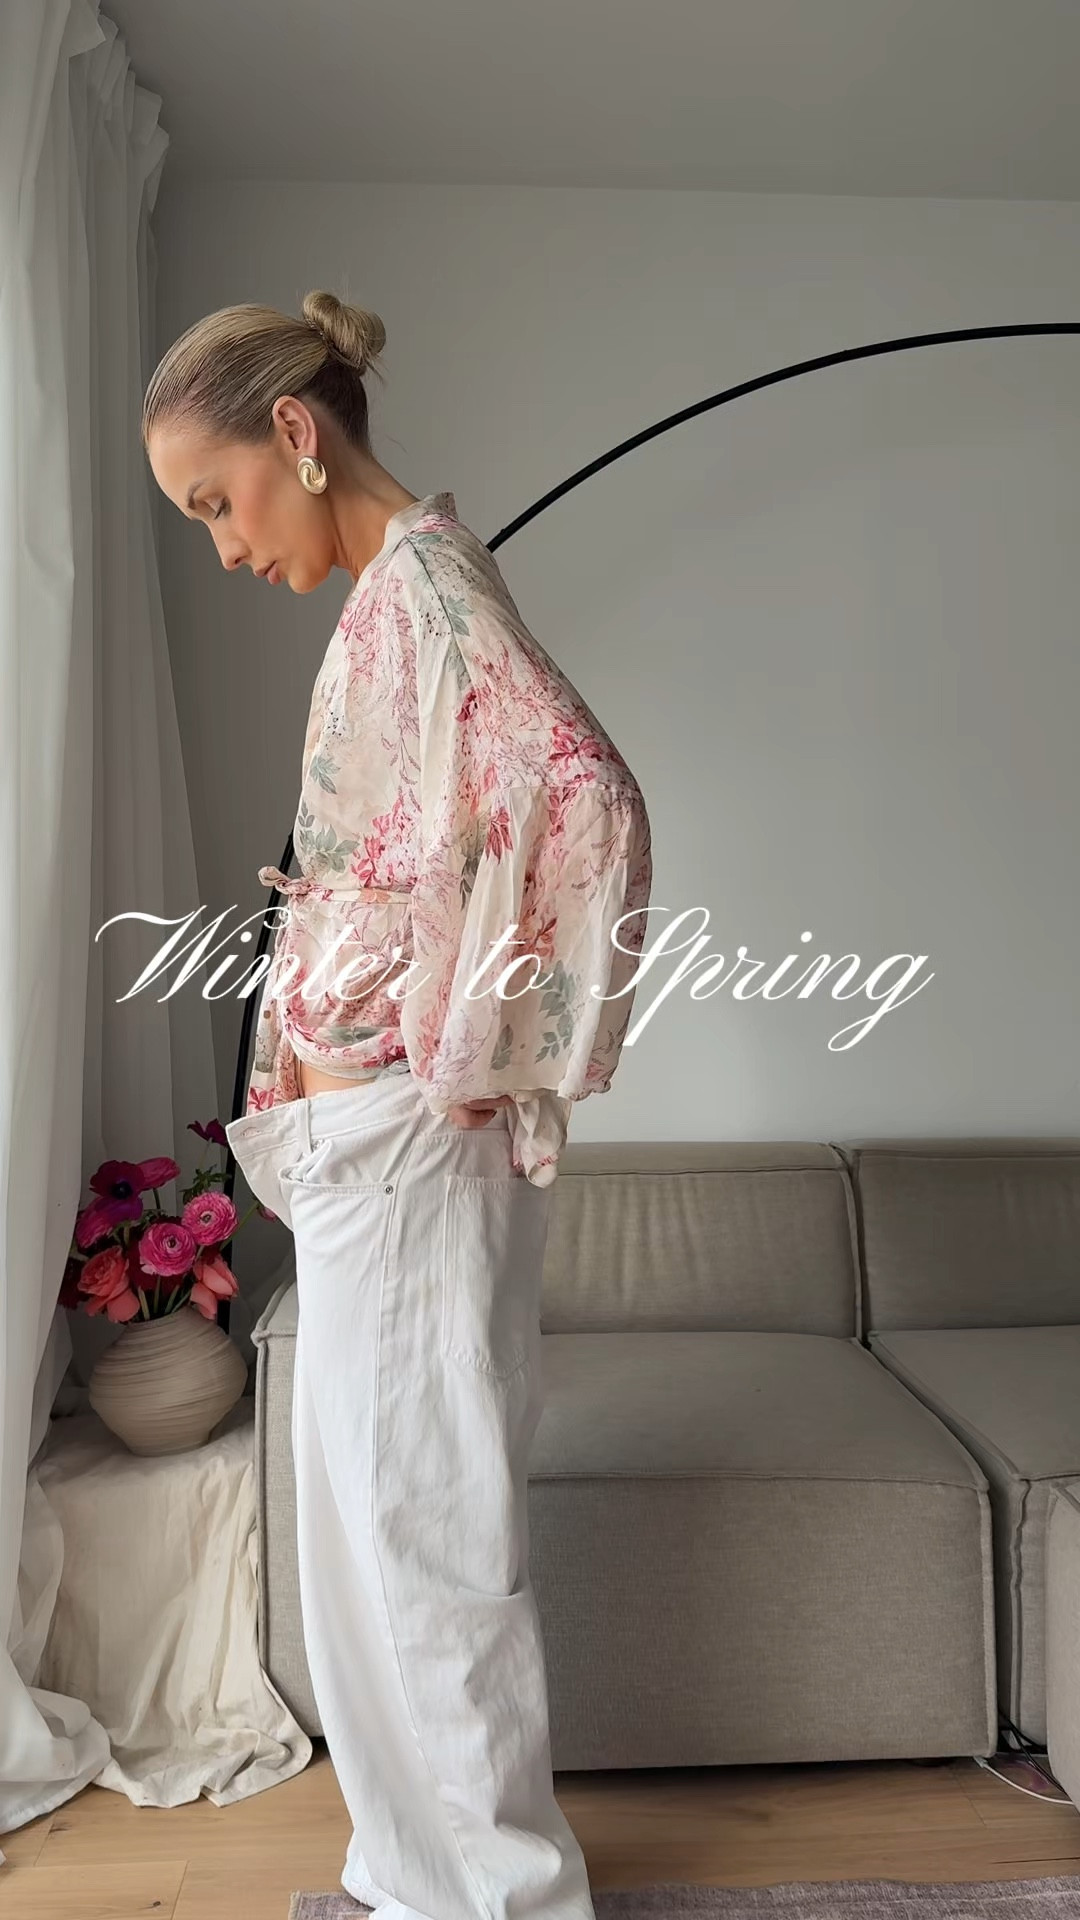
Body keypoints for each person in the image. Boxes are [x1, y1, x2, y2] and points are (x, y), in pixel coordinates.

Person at [143, 291, 652, 1920]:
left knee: (423, 1532)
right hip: (367, 1152)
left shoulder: (429, 591)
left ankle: (504, 1898)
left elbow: (588, 797)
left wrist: (471, 1051)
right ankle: (417, 1874)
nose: (224, 545)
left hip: (408, 1149)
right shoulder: (396, 598)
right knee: (369, 1534)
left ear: (295, 433)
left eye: (216, 500)